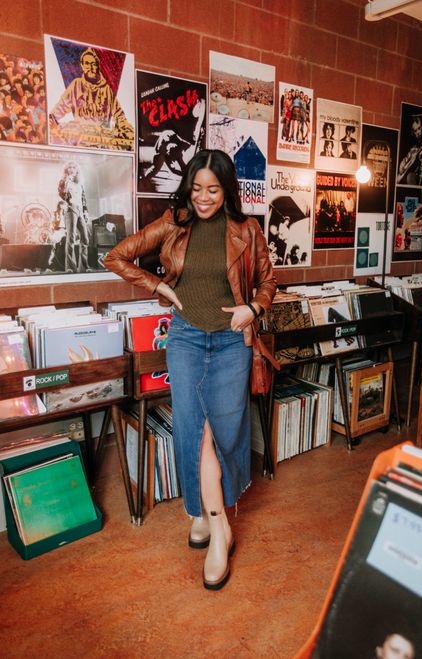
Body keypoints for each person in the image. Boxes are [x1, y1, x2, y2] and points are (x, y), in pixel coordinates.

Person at [105, 149, 276, 590]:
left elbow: (269, 281)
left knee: (222, 431)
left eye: (213, 190)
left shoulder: (247, 229)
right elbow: (117, 256)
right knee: (193, 430)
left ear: (227, 190)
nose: (203, 198)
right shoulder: (173, 223)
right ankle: (218, 528)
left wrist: (252, 309)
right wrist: (160, 286)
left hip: (229, 342)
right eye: (196, 188)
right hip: (185, 340)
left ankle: (207, 517)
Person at [49, 47, 134, 150]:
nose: (91, 67)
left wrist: (126, 130)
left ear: (98, 66)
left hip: (103, 140)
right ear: (82, 66)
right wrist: (50, 122)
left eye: (93, 64)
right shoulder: (76, 85)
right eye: (87, 64)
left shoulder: (107, 89)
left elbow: (120, 116)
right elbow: (58, 110)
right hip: (80, 139)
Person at [58, 162, 91, 273]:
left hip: (80, 210)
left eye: (74, 167)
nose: (72, 169)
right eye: (69, 168)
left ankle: (83, 267)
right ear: (67, 170)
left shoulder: (80, 183)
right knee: (71, 238)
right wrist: (67, 182)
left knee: (85, 238)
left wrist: (85, 212)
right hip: (70, 209)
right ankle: (70, 267)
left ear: (77, 170)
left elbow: (83, 198)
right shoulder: (64, 182)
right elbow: (63, 195)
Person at [397, 113, 422, 186]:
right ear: (413, 133)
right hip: (416, 181)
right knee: (410, 176)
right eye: (415, 131)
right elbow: (406, 160)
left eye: (419, 128)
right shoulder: (414, 149)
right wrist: (402, 165)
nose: (418, 132)